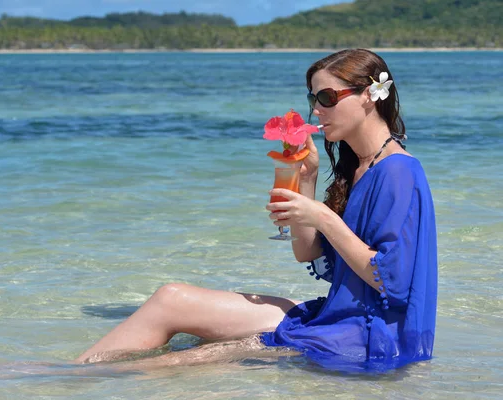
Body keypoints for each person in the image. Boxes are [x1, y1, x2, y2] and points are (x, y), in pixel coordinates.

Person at [75, 48, 438, 372]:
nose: (316, 109)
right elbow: (306, 252)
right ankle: (68, 370)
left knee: (178, 363)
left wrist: (323, 217)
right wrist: (306, 180)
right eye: (314, 97)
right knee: (172, 298)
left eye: (328, 97)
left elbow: (391, 282)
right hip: (338, 313)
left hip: (367, 335)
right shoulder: (359, 166)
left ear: (368, 97)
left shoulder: (399, 171)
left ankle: (57, 379)